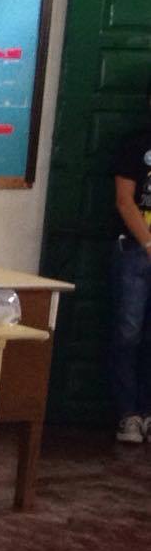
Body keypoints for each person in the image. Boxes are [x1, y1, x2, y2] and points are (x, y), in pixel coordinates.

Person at [109, 94, 151, 443]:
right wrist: (149, 244)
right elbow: (125, 200)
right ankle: (128, 415)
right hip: (135, 252)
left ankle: (148, 411)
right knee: (129, 332)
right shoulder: (135, 146)